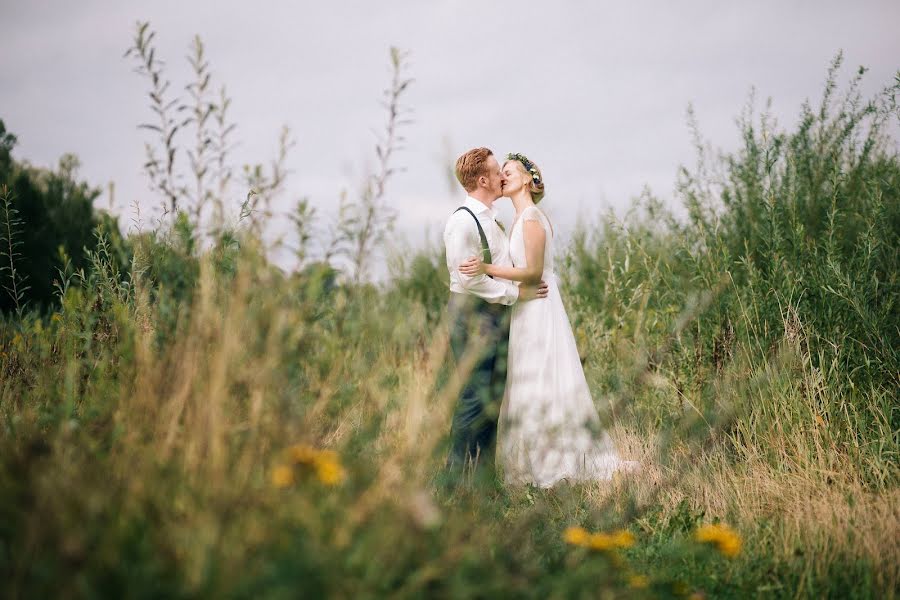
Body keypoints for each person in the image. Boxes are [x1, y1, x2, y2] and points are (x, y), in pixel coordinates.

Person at [459, 152, 640, 488]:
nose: (504, 176)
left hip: (538, 306)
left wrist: (486, 269)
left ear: (529, 179)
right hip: (525, 306)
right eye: (503, 173)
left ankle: (554, 460)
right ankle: (531, 461)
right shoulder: (520, 218)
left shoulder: (530, 218)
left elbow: (532, 273)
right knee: (529, 378)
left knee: (542, 374)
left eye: (510, 172)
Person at [442, 147, 548, 483]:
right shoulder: (462, 221)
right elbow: (468, 279)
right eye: (496, 171)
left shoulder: (491, 219)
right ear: (484, 179)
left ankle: (481, 479)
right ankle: (455, 479)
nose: (502, 176)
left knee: (491, 401)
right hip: (472, 316)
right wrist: (518, 294)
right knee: (473, 398)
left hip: (494, 316)